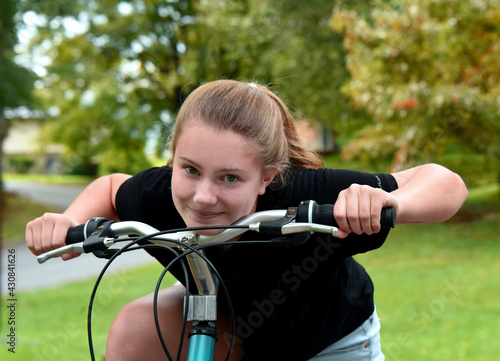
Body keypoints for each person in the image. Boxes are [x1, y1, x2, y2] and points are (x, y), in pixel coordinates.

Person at [26, 79, 468, 361]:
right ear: (174, 159)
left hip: (330, 342)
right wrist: (66, 221)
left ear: (266, 178)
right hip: (230, 328)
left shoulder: (304, 197)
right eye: (190, 169)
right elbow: (109, 188)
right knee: (136, 328)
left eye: (230, 178)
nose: (203, 196)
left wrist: (385, 203)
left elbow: (444, 182)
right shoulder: (160, 195)